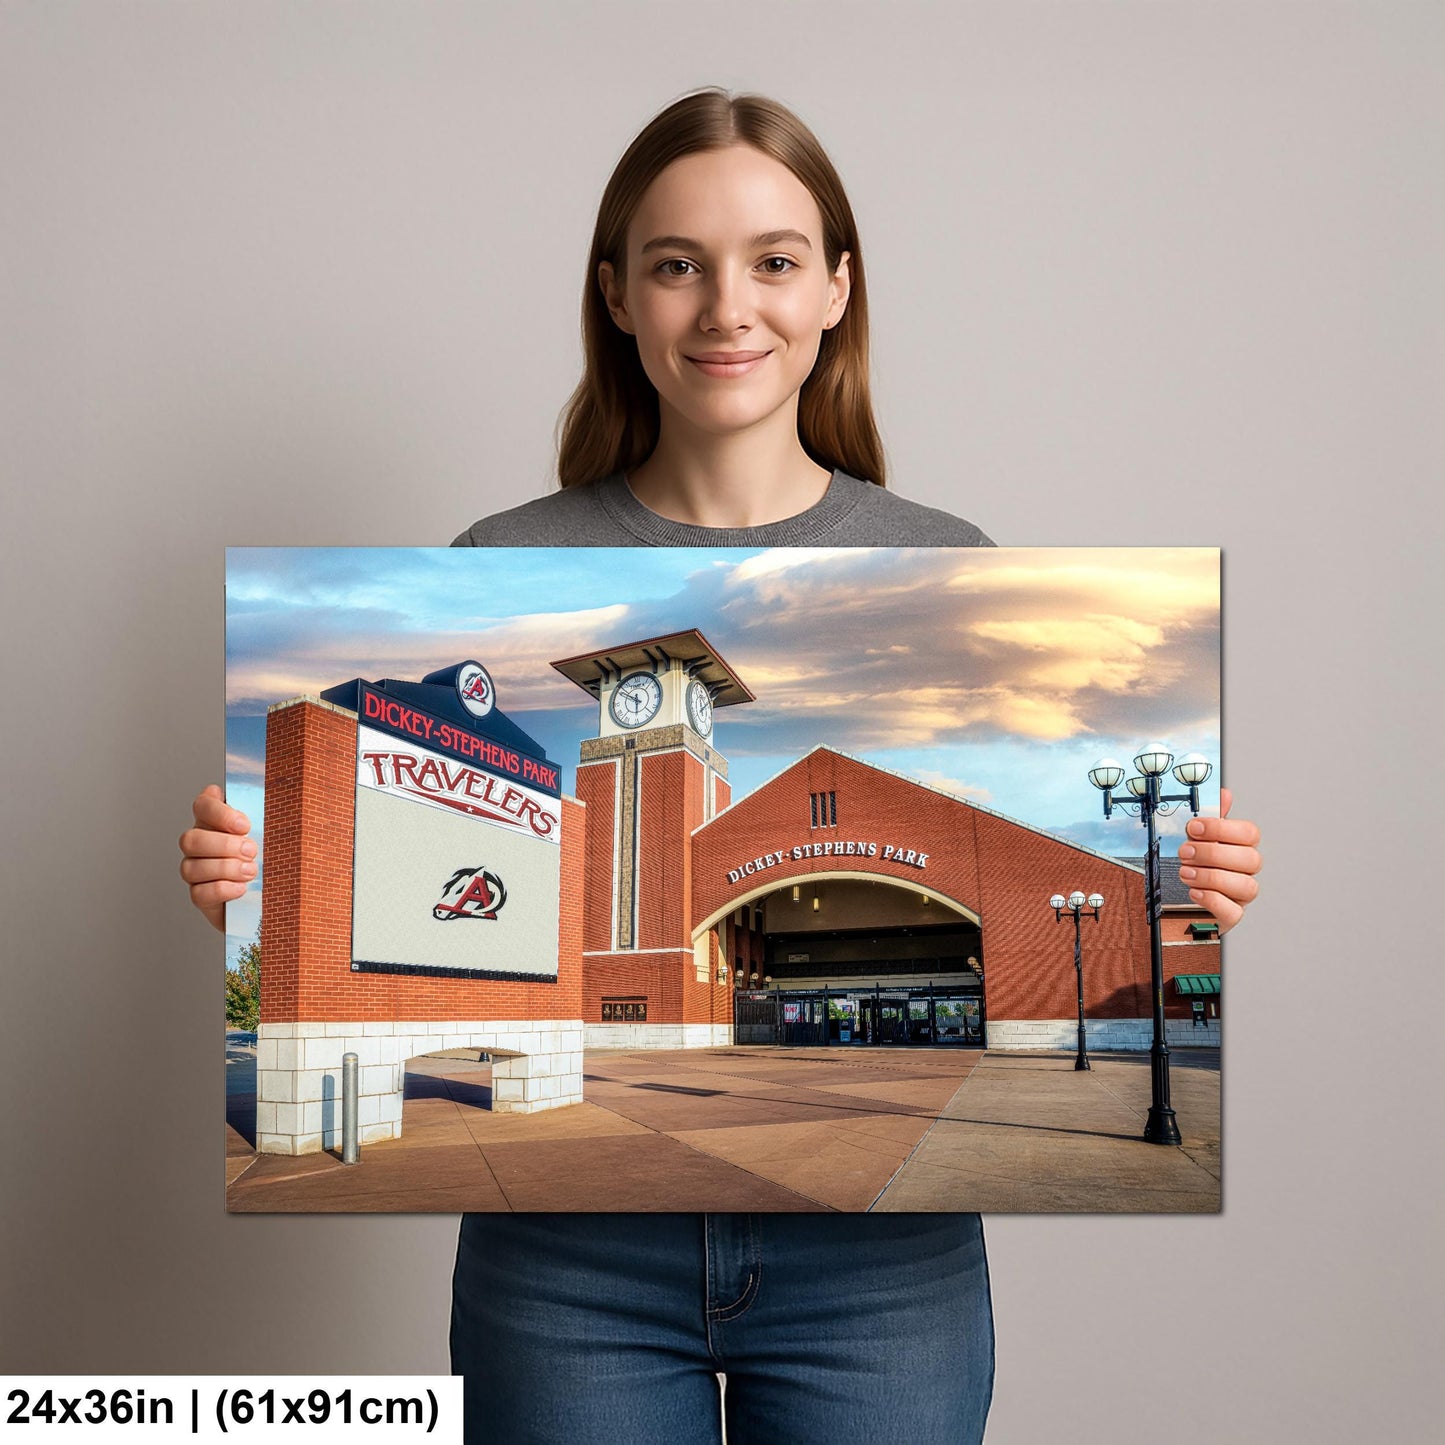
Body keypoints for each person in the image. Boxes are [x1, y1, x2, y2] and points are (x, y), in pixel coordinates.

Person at [180, 88, 1262, 1445]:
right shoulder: (500, 558)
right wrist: (254, 872)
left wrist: (1194, 880)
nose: (724, 306)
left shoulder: (945, 552)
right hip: (562, 1269)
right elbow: (366, 836)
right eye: (676, 262)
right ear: (618, 295)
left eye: (772, 259)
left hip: (885, 1273)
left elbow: (1139, 872)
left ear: (834, 291)